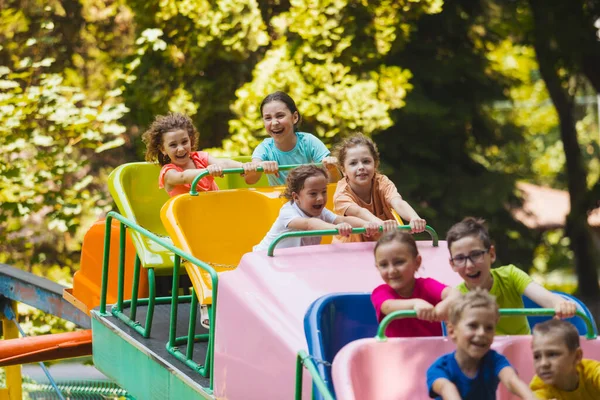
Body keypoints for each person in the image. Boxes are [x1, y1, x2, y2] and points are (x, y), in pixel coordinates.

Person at [446, 217, 577, 335]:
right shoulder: (457, 296)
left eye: (475, 255)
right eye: (460, 258)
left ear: (491, 254)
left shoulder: (510, 275)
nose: (469, 265)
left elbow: (548, 299)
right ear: (452, 264)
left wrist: (560, 304)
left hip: (522, 353)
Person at [427, 289, 537, 400]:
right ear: (452, 331)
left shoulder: (495, 360)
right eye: (473, 326)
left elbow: (511, 380)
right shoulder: (440, 367)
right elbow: (447, 388)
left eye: (489, 328)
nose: (481, 333)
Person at [253, 165, 379, 251]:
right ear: (296, 197)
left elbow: (341, 220)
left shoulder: (320, 211)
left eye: (323, 192)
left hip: (292, 261)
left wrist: (367, 224)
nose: (320, 198)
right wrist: (336, 228)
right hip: (265, 257)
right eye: (313, 194)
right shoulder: (288, 211)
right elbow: (309, 224)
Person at [332, 134, 426, 243]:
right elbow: (359, 212)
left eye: (366, 161)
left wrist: (414, 218)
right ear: (343, 170)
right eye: (353, 163)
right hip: (351, 247)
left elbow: (397, 202)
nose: (361, 167)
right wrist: (380, 223)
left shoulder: (382, 182)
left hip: (383, 244)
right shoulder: (341, 193)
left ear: (375, 164)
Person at [142, 112, 256, 196]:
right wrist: (207, 171)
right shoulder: (168, 172)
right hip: (188, 218)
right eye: (173, 145)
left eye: (184, 142)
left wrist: (243, 166)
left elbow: (223, 163)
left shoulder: (200, 158)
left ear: (190, 140)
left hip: (215, 211)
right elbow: (183, 177)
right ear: (163, 149)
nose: (180, 149)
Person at [371, 231, 460, 337]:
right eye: (384, 265)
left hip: (433, 349)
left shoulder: (427, 285)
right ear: (377, 267)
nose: (392, 270)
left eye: (399, 262)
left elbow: (456, 294)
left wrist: (443, 306)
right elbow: (388, 307)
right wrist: (415, 304)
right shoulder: (380, 292)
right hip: (396, 350)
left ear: (417, 262)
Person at [243, 91, 338, 186]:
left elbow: (334, 181)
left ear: (295, 117)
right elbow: (250, 180)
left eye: (280, 116)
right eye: (268, 118)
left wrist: (332, 168)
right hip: (279, 199)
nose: (274, 122)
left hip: (309, 198)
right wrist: (260, 166)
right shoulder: (264, 148)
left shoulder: (309, 141)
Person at [530, 319, 600, 399]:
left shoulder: (593, 373)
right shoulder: (540, 386)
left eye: (552, 354)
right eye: (537, 357)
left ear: (577, 356)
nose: (543, 363)